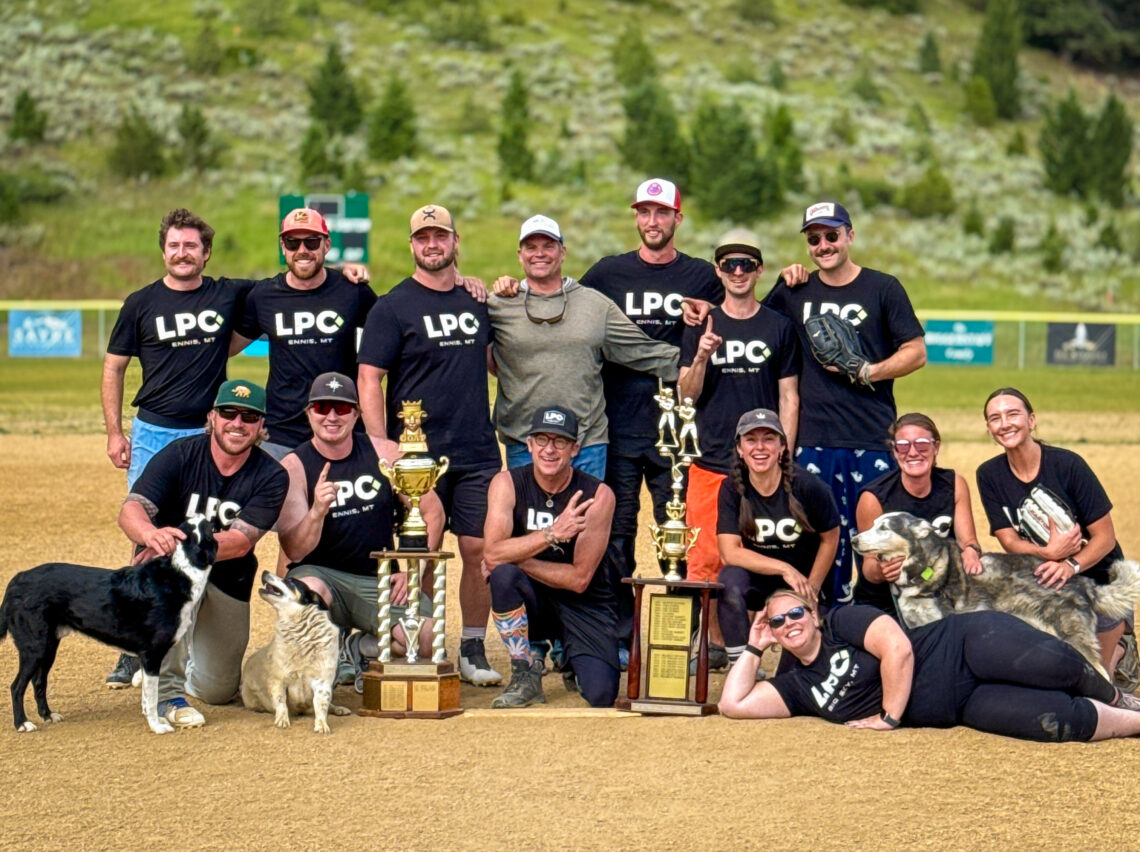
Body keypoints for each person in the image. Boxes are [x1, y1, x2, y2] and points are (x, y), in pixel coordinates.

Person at [574, 179, 723, 662]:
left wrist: (717, 307)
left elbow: (743, 310)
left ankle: (683, 633)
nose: (652, 222)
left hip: (678, 427)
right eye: (644, 212)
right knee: (615, 534)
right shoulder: (608, 274)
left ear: (678, 218)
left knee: (678, 532)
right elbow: (566, 302)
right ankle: (620, 636)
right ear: (636, 217)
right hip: (616, 426)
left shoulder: (702, 276)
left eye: (662, 213)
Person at [357, 205, 503, 687]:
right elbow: (370, 376)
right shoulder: (393, 306)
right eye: (424, 238)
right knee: (424, 546)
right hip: (417, 455)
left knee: (480, 547)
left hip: (476, 447)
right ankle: (421, 639)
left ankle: (472, 646)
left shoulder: (475, 300)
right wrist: (381, 442)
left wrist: (499, 287)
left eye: (441, 236)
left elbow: (494, 362)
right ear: (412, 245)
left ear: (455, 242)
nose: (433, 245)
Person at [764, 201, 926, 607]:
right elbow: (758, 326)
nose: (823, 245)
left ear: (850, 236)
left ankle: (879, 627)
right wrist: (782, 281)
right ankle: (827, 630)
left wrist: (870, 371)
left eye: (832, 235)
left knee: (876, 546)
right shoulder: (794, 290)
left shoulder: (882, 287)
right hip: (814, 439)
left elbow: (916, 352)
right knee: (821, 545)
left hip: (871, 437)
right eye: (814, 239)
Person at [718, 590, 1140, 741]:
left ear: (811, 615)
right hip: (963, 705)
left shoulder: (842, 622)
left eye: (795, 614)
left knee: (1053, 666)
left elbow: (897, 649)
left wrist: (889, 717)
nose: (789, 623)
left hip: (963, 645)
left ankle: (1119, 696)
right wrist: (754, 647)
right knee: (1057, 722)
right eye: (777, 621)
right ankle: (1133, 723)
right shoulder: (796, 687)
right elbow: (733, 704)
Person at [117, 379, 288, 728]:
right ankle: (166, 693)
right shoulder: (180, 455)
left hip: (227, 576)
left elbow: (240, 542)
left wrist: (174, 544)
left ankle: (158, 658)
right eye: (228, 413)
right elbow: (131, 510)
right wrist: (150, 534)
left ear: (261, 427)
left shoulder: (272, 474)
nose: (237, 423)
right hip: (166, 573)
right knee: (173, 586)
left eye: (249, 417)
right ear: (212, 417)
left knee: (218, 691)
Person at [678, 229, 799, 666]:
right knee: (706, 559)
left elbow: (789, 395)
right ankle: (712, 644)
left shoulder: (777, 326)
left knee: (766, 553)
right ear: (718, 270)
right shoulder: (702, 325)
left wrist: (786, 455)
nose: (738, 271)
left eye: (747, 264)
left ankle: (773, 642)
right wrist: (701, 357)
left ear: (759, 269)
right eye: (729, 264)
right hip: (712, 459)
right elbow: (685, 397)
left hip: (765, 464)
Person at [487, 214, 680, 480]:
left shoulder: (595, 305)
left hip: (585, 443)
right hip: (525, 442)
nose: (539, 254)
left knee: (587, 520)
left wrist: (706, 358)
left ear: (563, 252)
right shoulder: (497, 306)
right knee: (529, 522)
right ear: (520, 255)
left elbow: (644, 351)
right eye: (531, 247)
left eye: (548, 246)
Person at [277, 373, 445, 676]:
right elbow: (294, 550)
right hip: (323, 578)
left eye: (341, 409)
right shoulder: (294, 466)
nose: (331, 417)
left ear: (356, 413)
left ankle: (360, 649)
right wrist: (316, 512)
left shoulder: (386, 453)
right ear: (308, 413)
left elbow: (433, 513)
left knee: (430, 642)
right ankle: (325, 653)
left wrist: (413, 571)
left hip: (379, 580)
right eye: (322, 407)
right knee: (305, 593)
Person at [976, 387, 1134, 683]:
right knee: (1050, 674)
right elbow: (1009, 541)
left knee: (1095, 685)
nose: (1004, 423)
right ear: (989, 428)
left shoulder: (1068, 464)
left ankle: (1122, 649)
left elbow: (1105, 539)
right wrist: (1050, 555)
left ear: (1032, 420)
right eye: (995, 418)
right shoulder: (989, 474)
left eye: (1013, 414)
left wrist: (1069, 565)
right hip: (1046, 577)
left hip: (1096, 577)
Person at [482, 406, 620, 708]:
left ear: (575, 449)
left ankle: (571, 657)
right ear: (528, 444)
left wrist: (516, 556)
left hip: (582, 603)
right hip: (531, 597)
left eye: (560, 441)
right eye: (541, 439)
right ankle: (524, 672)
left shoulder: (597, 495)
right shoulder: (506, 484)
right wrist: (551, 534)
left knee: (601, 694)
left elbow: (579, 579)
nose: (549, 449)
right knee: (503, 577)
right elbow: (492, 553)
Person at [231, 208, 378, 459]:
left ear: (326, 244)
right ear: (282, 246)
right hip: (281, 433)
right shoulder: (264, 297)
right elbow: (223, 349)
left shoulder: (354, 293)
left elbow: (393, 332)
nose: (302, 250)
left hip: (340, 425)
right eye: (292, 242)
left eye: (311, 241)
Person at [717, 410, 839, 670]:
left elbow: (831, 538)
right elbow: (730, 553)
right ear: (739, 448)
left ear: (783, 447)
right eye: (751, 440)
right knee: (728, 583)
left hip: (803, 582)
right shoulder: (732, 488)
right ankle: (742, 665)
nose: (760, 447)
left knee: (792, 675)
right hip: (761, 580)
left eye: (769, 439)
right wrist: (784, 568)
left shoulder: (807, 485)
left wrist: (811, 591)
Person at [855, 413, 984, 616]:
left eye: (922, 445)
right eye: (904, 446)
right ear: (895, 451)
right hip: (886, 599)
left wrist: (971, 550)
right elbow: (868, 567)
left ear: (936, 447)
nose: (913, 453)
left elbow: (967, 540)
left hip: (940, 591)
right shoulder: (874, 497)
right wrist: (882, 571)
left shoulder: (954, 484)